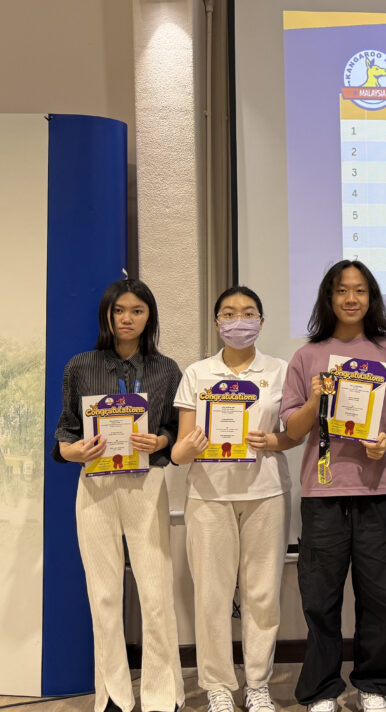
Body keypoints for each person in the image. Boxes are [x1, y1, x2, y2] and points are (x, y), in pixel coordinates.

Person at [281, 261, 386, 712]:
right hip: (323, 492)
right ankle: (322, 691)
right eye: (341, 291)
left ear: (371, 297)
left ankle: (375, 686)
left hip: (375, 490)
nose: (350, 299)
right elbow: (293, 431)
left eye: (359, 290)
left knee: (378, 594)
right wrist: (316, 399)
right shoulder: (307, 356)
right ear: (328, 297)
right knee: (320, 596)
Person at [53, 278, 185, 712]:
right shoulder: (80, 366)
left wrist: (160, 442)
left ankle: (163, 695)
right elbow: (65, 434)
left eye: (137, 311)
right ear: (107, 316)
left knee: (155, 590)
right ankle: (111, 695)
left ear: (150, 317)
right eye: (119, 311)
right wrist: (75, 451)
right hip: (95, 485)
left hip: (146, 483)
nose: (127, 319)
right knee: (104, 593)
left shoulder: (166, 369)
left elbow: (172, 430)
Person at [171, 286, 299, 712]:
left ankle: (258, 684)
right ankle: (219, 687)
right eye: (229, 313)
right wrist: (189, 447)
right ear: (216, 322)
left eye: (248, 313)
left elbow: (291, 434)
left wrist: (273, 440)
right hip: (209, 495)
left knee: (262, 594)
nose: (238, 321)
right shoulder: (197, 373)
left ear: (261, 322)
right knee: (212, 593)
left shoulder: (280, 371)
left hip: (266, 493)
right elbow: (182, 448)